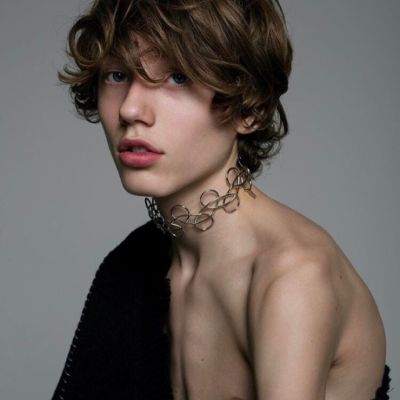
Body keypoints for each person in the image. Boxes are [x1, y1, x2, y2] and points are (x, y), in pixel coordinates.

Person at [53, 1, 391, 399]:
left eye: (178, 77)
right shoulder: (136, 263)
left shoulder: (290, 279)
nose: (130, 109)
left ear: (251, 109)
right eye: (117, 75)